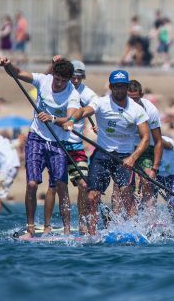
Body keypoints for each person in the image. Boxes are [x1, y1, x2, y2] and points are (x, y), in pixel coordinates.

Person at [0, 56, 80, 238]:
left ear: (69, 80)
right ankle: (31, 229)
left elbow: (69, 119)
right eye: (57, 79)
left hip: (58, 142)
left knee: (60, 185)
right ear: (54, 74)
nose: (58, 84)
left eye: (63, 81)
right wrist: (7, 64)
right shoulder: (43, 80)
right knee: (32, 184)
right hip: (36, 137)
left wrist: (53, 119)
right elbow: (17, 74)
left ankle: (66, 230)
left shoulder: (72, 94)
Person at [66, 70, 150, 235]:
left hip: (125, 157)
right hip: (102, 154)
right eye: (116, 86)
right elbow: (83, 111)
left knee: (127, 195)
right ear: (111, 87)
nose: (120, 90)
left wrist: (133, 158)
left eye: (123, 86)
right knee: (92, 197)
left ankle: (134, 231)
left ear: (127, 87)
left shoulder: (136, 109)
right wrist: (71, 120)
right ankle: (91, 234)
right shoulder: (101, 103)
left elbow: (146, 138)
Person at [43, 59, 97, 234]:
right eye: (72, 76)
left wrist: (96, 124)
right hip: (56, 143)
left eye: (79, 77)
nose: (75, 80)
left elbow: (98, 106)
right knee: (56, 186)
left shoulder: (86, 93)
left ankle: (82, 222)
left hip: (75, 145)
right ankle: (49, 226)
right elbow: (42, 83)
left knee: (83, 184)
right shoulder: (58, 85)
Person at [126, 80, 163, 210]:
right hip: (127, 147)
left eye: (135, 99)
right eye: (129, 98)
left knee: (147, 181)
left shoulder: (151, 110)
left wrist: (155, 169)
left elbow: (158, 141)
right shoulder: (120, 105)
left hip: (146, 148)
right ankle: (118, 222)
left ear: (141, 95)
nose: (132, 102)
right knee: (122, 186)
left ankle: (149, 219)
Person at [155, 135, 174, 220]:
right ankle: (150, 223)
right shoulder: (147, 142)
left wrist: (155, 137)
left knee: (173, 204)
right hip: (156, 176)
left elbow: (169, 146)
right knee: (149, 201)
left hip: (172, 177)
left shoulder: (168, 140)